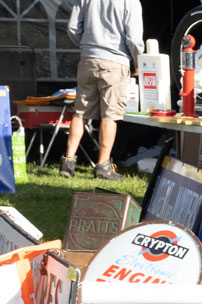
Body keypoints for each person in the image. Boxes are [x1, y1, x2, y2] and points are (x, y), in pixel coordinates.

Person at [61, 0, 144, 180]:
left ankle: (67, 162)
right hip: (115, 62)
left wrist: (87, 47)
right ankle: (103, 166)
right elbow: (134, 39)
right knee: (110, 115)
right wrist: (138, 62)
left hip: (87, 60)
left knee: (81, 112)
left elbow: (73, 28)